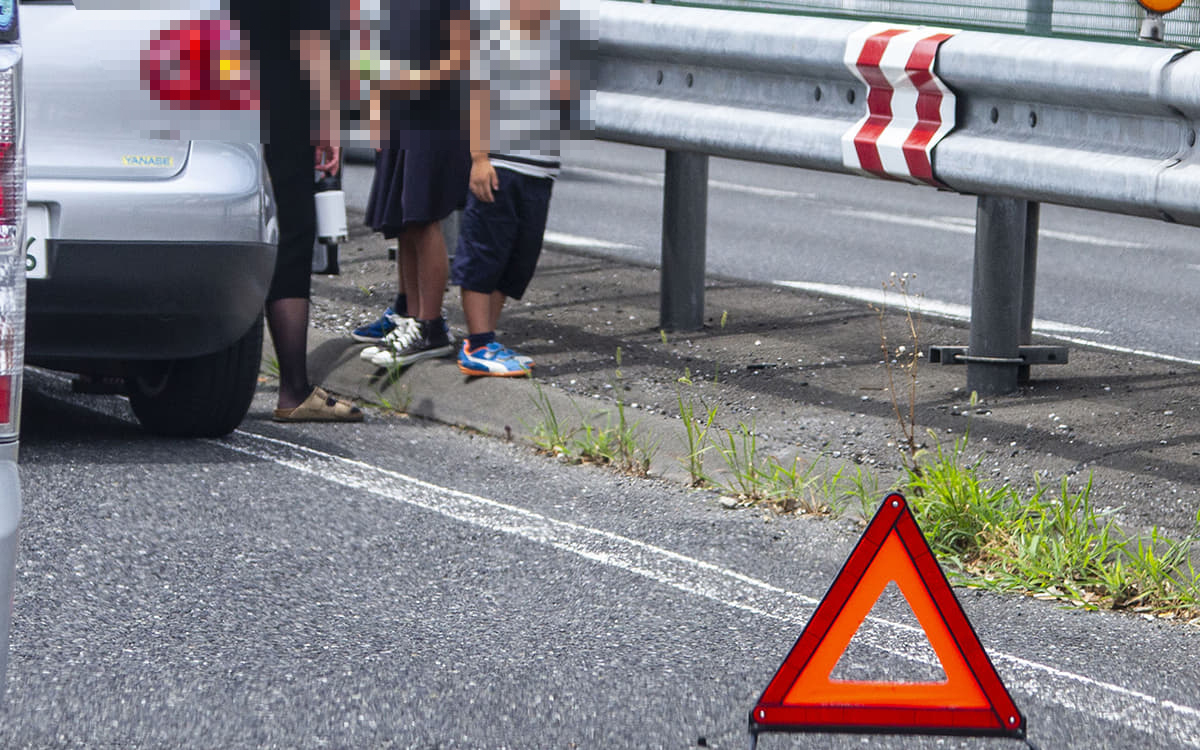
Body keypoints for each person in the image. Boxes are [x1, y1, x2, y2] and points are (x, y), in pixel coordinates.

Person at [228, 0, 364, 421]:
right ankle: (293, 389)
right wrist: (326, 121)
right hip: (279, 105)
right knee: (290, 234)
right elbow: (312, 44)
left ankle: (125, 367)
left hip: (215, 98)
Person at [452, 0, 585, 376]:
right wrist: (479, 159)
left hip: (540, 170)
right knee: (484, 252)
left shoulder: (559, 42)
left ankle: (487, 339)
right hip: (500, 164)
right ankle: (477, 342)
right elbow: (475, 99)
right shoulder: (496, 38)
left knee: (518, 259)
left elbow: (567, 107)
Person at [352, 0, 473, 369]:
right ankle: (411, 319)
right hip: (399, 114)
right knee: (404, 218)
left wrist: (411, 80)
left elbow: (461, 57)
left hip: (436, 115)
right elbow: (373, 46)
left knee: (422, 216)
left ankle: (431, 325)